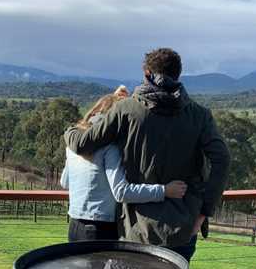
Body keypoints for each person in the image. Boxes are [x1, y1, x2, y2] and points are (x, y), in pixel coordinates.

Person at [64, 48, 230, 260]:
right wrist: (204, 212)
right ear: (178, 74)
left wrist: (69, 130)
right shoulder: (200, 115)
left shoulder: (126, 110)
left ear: (147, 74)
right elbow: (222, 160)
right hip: (184, 226)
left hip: (137, 228)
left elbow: (83, 144)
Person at [60, 86, 189, 242]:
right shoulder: (109, 148)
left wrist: (111, 99)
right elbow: (121, 192)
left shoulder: (74, 145)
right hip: (100, 229)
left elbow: (64, 182)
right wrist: (164, 190)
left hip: (74, 225)